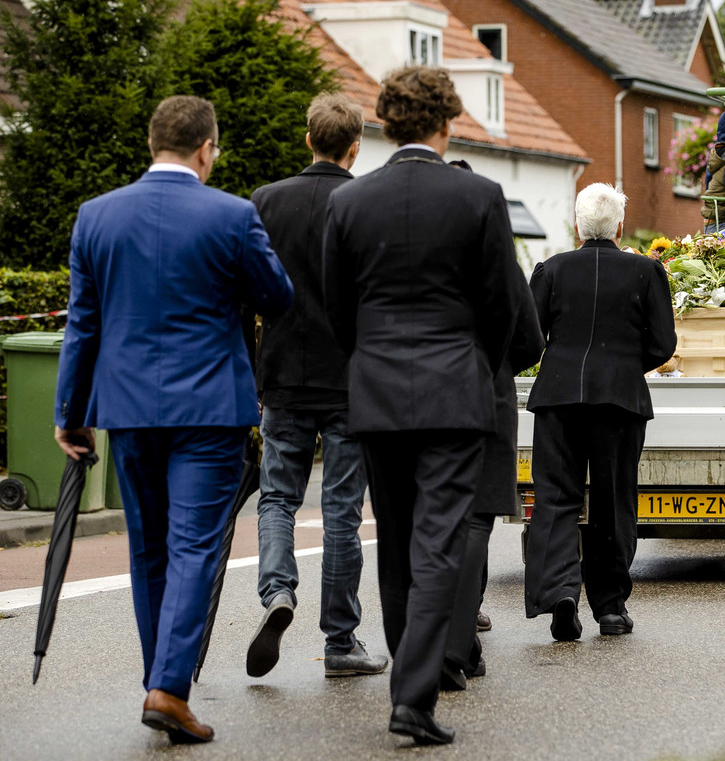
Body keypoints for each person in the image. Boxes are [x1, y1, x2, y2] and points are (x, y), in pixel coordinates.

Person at [53, 96, 293, 745]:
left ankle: (159, 681)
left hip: (127, 409)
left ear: (152, 143)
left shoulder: (96, 217)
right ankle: (169, 688)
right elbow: (277, 296)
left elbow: (84, 326)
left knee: (148, 548)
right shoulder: (232, 215)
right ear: (206, 148)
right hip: (210, 409)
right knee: (193, 547)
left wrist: (68, 416)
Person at [323, 65, 528, 746]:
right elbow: (503, 304)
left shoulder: (350, 203)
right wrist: (475, 362)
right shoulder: (479, 196)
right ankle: (413, 695)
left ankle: (406, 681)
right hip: (454, 389)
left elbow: (337, 308)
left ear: (385, 122)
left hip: (377, 391)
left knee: (394, 542)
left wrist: (371, 358)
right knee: (438, 539)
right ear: (447, 123)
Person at [244, 93, 388, 680]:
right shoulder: (365, 204)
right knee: (341, 511)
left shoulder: (265, 201)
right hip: (350, 380)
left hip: (281, 374)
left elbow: (248, 292)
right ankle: (340, 641)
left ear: (307, 139)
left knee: (277, 496)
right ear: (355, 147)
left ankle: (277, 592)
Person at [523, 183, 677, 642]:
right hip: (619, 400)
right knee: (613, 501)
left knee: (555, 498)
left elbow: (532, 336)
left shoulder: (550, 270)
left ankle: (560, 592)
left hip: (558, 397)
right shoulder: (645, 272)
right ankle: (609, 607)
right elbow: (663, 343)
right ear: (621, 227)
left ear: (576, 226)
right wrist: (626, 364)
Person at [442, 279, 543, 688]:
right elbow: (529, 339)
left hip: (412, 395)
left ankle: (445, 646)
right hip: (485, 391)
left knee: (426, 521)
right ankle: (453, 646)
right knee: (475, 519)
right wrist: (494, 364)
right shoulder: (487, 236)